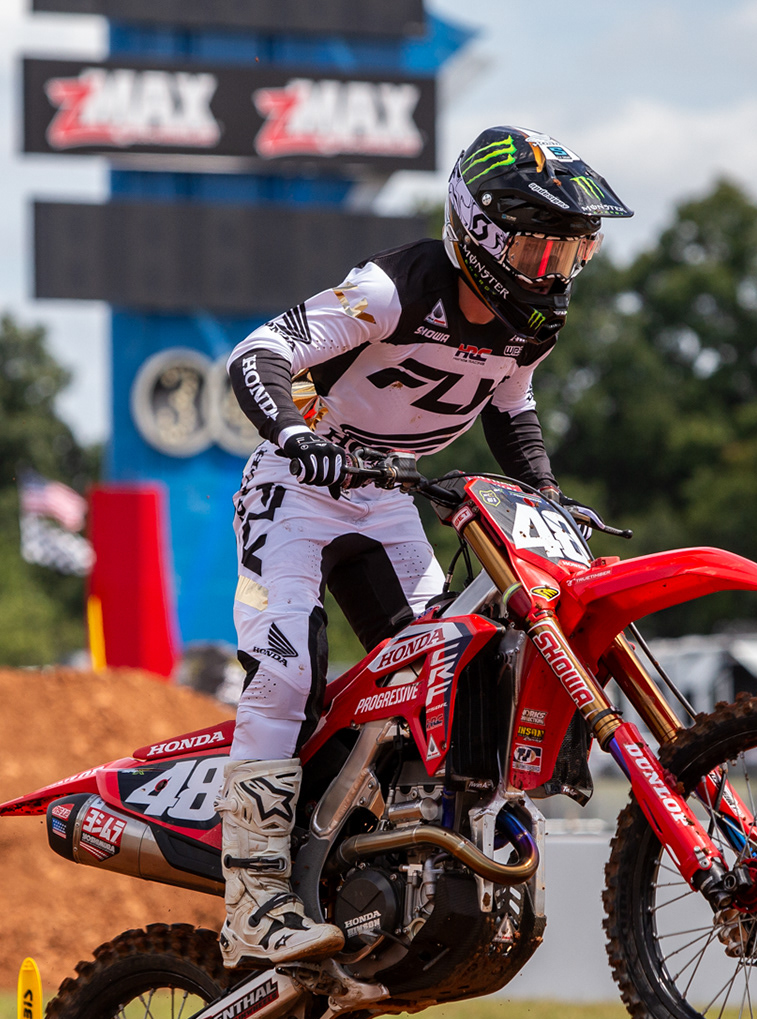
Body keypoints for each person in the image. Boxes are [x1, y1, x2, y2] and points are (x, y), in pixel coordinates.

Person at [214, 125, 632, 967]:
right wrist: (296, 434)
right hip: (295, 491)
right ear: (480, 233)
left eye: (570, 255)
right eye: (540, 251)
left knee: (447, 670)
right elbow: (259, 352)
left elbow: (511, 408)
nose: (555, 273)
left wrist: (548, 496)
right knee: (287, 672)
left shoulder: (528, 329)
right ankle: (251, 898)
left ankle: (383, 854)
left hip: (391, 499)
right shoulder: (391, 289)